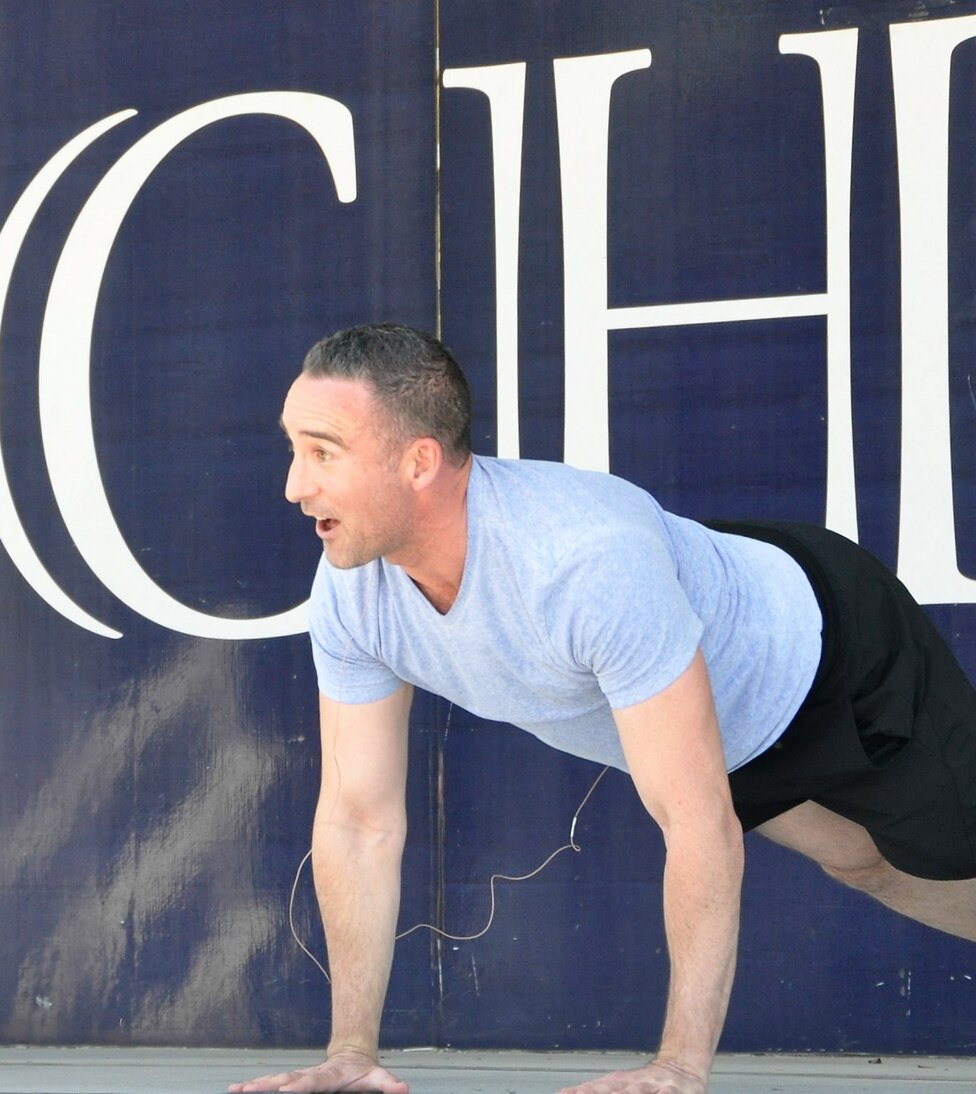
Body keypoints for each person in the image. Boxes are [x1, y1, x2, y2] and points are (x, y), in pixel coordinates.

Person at [232, 323, 976, 1094]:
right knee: (858, 862)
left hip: (834, 650)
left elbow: (695, 823)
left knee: (942, 855)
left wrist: (679, 1068)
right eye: (293, 448)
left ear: (418, 461)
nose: (294, 485)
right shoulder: (353, 593)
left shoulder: (582, 561)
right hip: (726, 717)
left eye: (322, 452)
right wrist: (350, 1052)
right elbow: (359, 819)